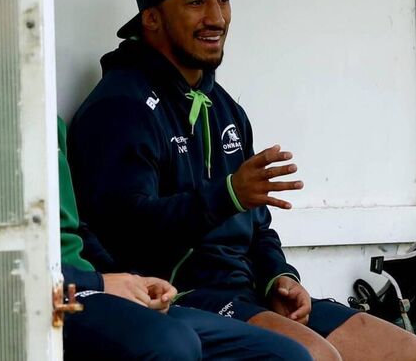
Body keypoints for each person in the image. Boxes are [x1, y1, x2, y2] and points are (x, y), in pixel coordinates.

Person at [68, 0, 416, 361]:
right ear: (152, 18)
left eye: (223, 0)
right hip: (182, 297)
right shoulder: (120, 107)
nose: (216, 18)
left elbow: (258, 228)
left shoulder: (224, 107)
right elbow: (126, 235)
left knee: (406, 353)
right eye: (196, 2)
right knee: (313, 356)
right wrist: (227, 196)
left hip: (248, 291)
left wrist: (279, 277)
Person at [58, 117, 311, 360]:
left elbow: (76, 229)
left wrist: (278, 275)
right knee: (174, 343)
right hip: (61, 294)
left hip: (243, 287)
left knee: (291, 354)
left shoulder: (229, 111)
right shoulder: (121, 109)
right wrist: (99, 282)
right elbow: (126, 229)